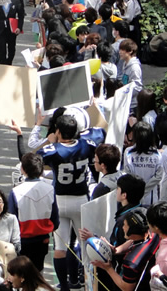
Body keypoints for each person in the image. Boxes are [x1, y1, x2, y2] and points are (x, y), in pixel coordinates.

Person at [38, 114, 103, 291]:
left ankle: (65, 287)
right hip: (81, 200)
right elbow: (98, 145)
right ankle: (90, 284)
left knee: (60, 247)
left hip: (60, 201)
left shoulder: (53, 149)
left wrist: (49, 141)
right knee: (86, 244)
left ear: (58, 131)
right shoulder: (86, 145)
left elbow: (36, 160)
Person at [80, 173, 147, 291]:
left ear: (124, 195)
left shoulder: (124, 222)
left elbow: (115, 251)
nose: (116, 191)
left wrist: (95, 241)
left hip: (122, 274)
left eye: (118, 189)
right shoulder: (143, 212)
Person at [8, 152, 59, 273]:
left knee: (22, 272)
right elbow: (55, 219)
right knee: (38, 271)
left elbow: (11, 219)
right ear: (41, 170)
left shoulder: (15, 191)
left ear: (22, 169)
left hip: (22, 239)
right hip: (42, 239)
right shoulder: (50, 189)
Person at [91, 210, 161, 291]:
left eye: (125, 225)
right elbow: (132, 241)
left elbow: (127, 288)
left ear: (132, 233)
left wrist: (108, 268)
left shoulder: (131, 262)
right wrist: (115, 250)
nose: (122, 227)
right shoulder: (153, 235)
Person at [122, 121, 162, 207]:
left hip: (134, 198)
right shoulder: (157, 154)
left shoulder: (128, 152)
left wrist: (139, 190)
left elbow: (127, 174)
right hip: (151, 199)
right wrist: (145, 189)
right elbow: (158, 176)